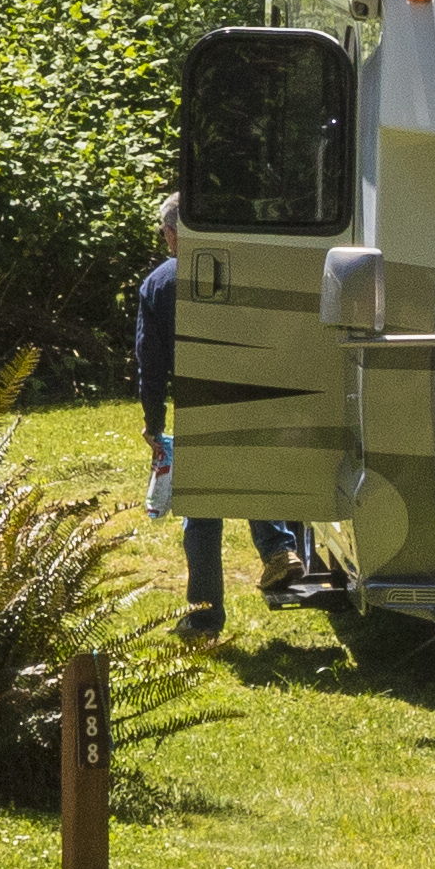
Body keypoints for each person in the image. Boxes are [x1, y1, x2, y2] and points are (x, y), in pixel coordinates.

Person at [134, 193, 320, 635]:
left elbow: (151, 362)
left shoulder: (160, 283)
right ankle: (278, 548)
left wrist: (154, 422)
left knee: (202, 516)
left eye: (165, 232)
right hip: (254, 390)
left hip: (199, 400)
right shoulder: (239, 269)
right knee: (252, 477)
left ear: (173, 233)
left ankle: (203, 617)